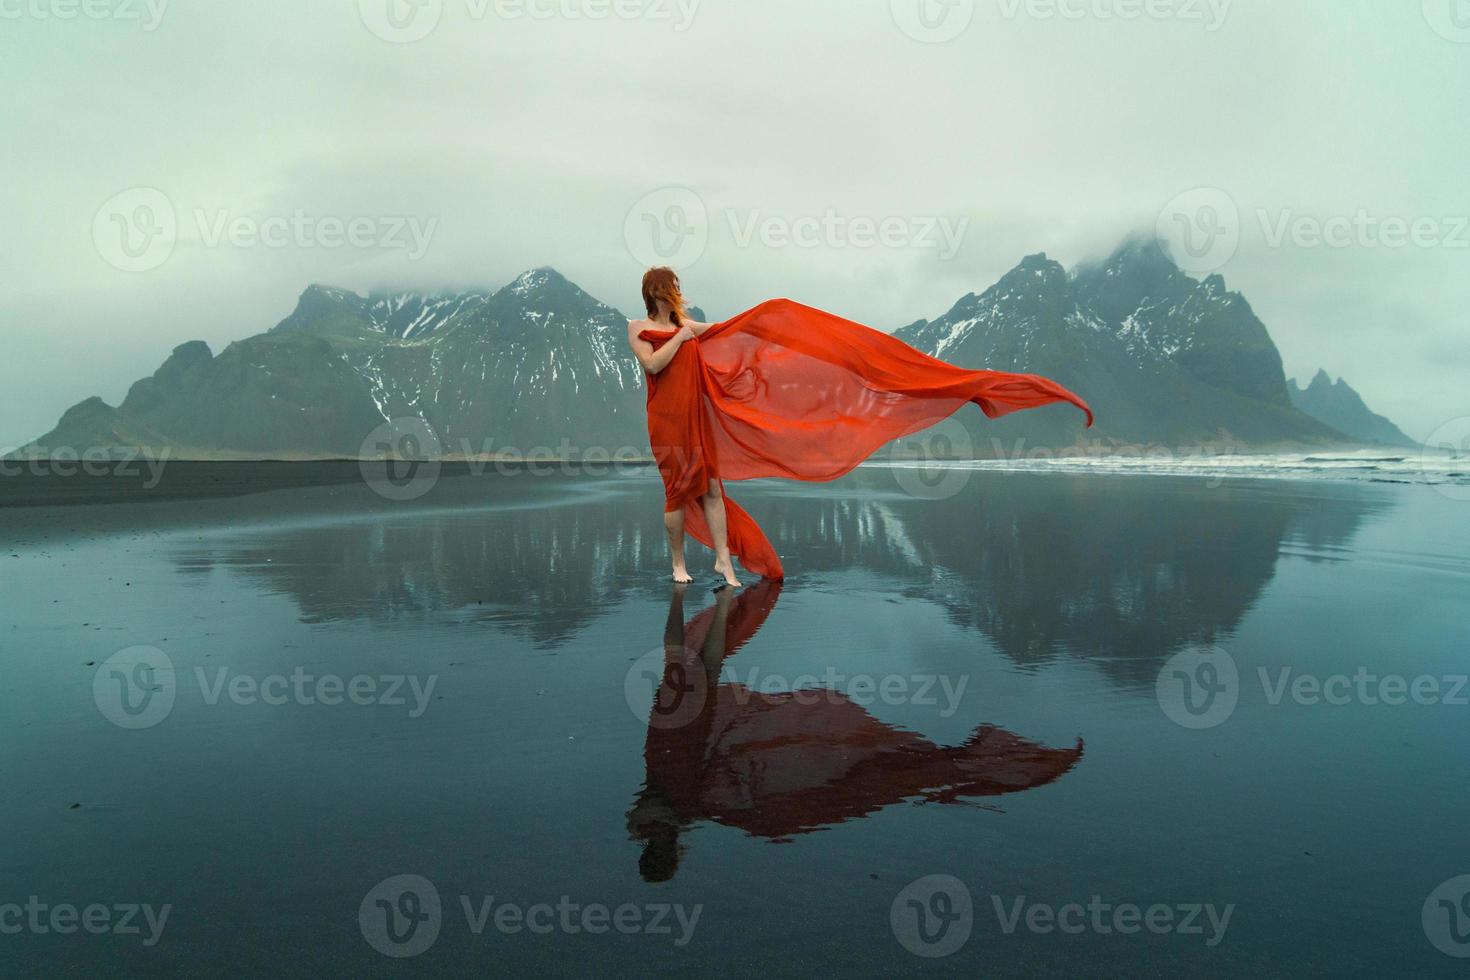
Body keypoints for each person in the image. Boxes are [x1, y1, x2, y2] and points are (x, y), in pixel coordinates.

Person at [626, 267, 1093, 586]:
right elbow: (652, 366)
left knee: (709, 487)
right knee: (676, 489)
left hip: (695, 413)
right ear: (658, 293)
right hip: (666, 417)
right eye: (672, 289)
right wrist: (683, 337)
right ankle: (678, 564)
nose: (678, 294)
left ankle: (724, 561)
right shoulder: (637, 326)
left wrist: (779, 323)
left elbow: (734, 333)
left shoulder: (689, 324)